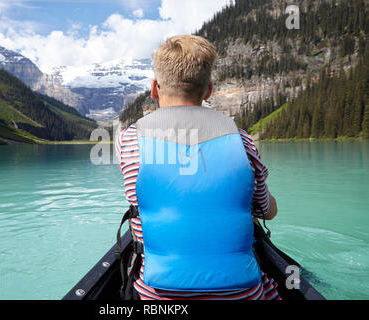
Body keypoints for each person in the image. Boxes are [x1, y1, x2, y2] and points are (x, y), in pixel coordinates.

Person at [115, 35, 280, 300]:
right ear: (209, 90)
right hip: (243, 293)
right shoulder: (244, 142)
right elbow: (266, 211)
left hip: (155, 295)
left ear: (154, 88)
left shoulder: (128, 140)